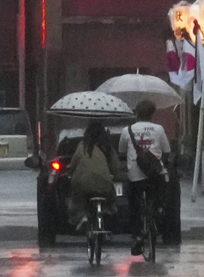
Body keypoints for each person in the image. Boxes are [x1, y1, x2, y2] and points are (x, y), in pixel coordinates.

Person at [122, 100, 173, 255]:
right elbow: (166, 151)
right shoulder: (159, 129)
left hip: (135, 175)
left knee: (134, 204)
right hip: (155, 174)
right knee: (159, 196)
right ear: (152, 113)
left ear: (136, 113)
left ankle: (137, 235)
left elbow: (121, 150)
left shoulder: (127, 130)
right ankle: (156, 215)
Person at [69, 123, 118, 239]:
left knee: (77, 201)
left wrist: (71, 173)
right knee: (110, 197)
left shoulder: (82, 146)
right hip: (104, 184)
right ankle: (107, 210)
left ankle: (83, 217)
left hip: (82, 183)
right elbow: (115, 167)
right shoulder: (107, 147)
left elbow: (73, 165)